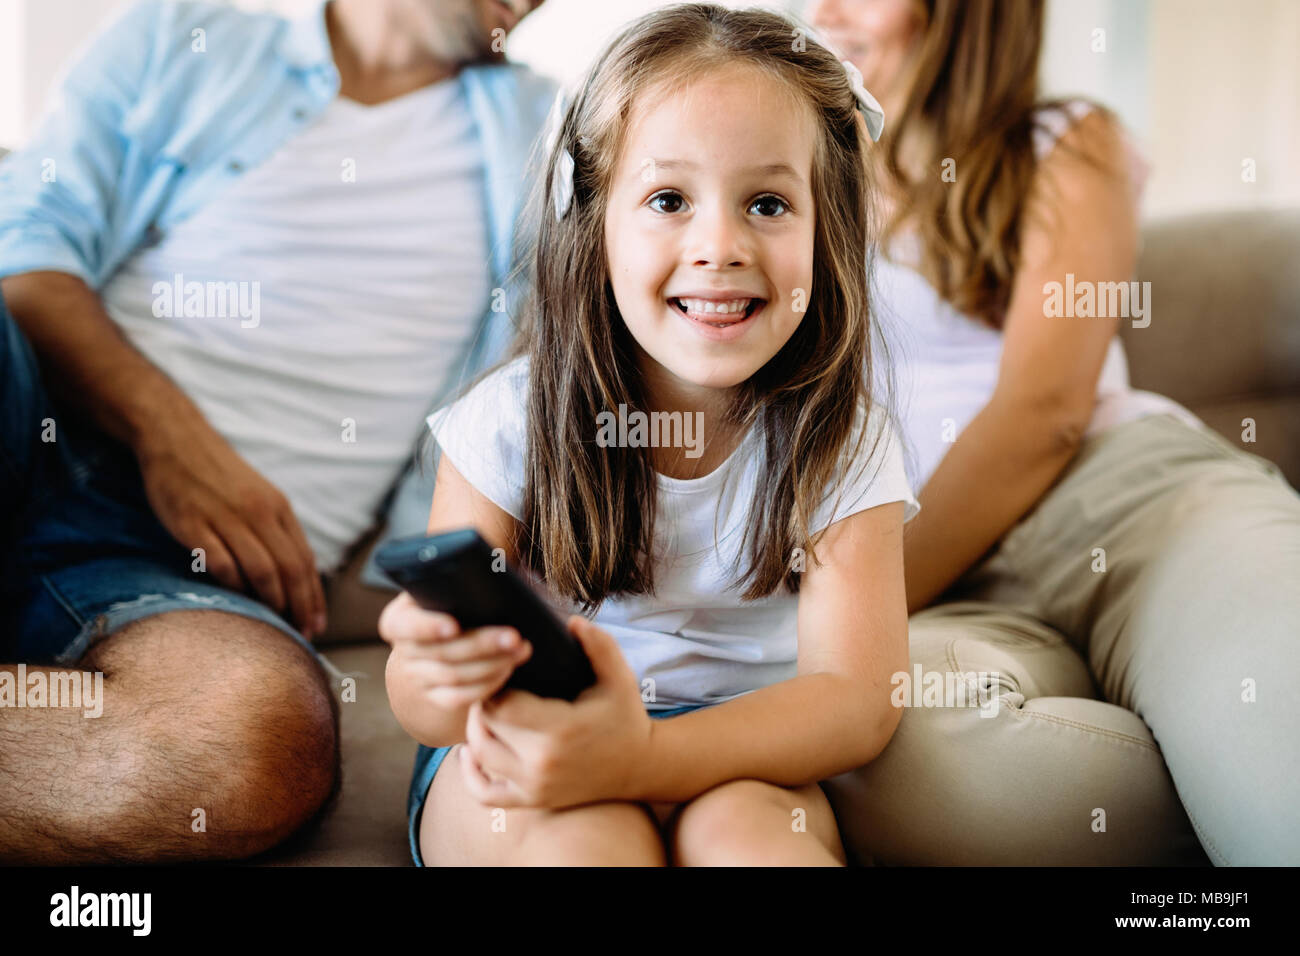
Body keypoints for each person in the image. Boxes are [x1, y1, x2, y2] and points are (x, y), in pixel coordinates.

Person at [0, 0, 551, 863]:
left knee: (249, 742)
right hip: (36, 417)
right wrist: (169, 434)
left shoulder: (554, 138)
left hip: (170, 577)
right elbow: (21, 254)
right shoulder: (181, 40)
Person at [380, 2, 920, 866]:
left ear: (831, 230)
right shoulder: (507, 423)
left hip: (742, 751)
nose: (721, 245)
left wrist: (648, 757)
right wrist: (429, 675)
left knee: (750, 843)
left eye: (770, 203)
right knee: (589, 845)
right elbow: (430, 707)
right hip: (531, 748)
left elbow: (857, 699)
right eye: (669, 198)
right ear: (593, 227)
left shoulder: (843, 435)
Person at [808, 0, 1300, 865]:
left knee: (1275, 672)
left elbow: (1047, 413)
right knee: (889, 749)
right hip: (944, 579)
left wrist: (853, 607)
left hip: (1122, 498)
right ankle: (1207, 794)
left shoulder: (1070, 143)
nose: (826, 10)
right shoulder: (796, 174)